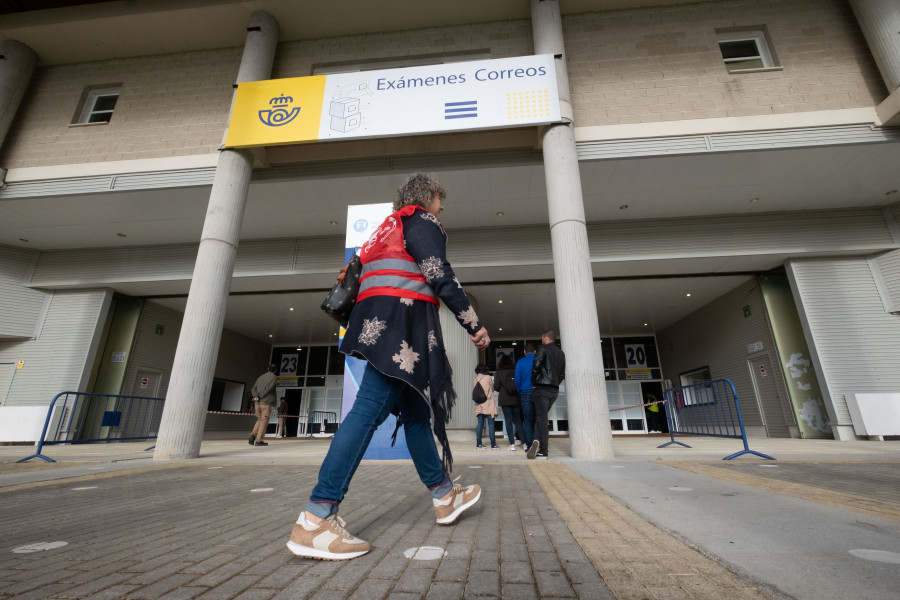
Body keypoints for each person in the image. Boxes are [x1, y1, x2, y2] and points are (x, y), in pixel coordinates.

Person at [287, 173, 490, 561]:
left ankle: (444, 495)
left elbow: (354, 276)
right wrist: (473, 324)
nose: (442, 206)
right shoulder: (421, 222)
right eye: (438, 199)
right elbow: (439, 274)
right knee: (367, 411)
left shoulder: (384, 230)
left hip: (376, 326)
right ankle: (316, 519)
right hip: (400, 329)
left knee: (415, 415)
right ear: (424, 198)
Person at [530, 330, 565, 460]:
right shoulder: (561, 353)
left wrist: (534, 382)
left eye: (542, 338)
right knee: (542, 416)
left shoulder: (542, 349)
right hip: (554, 390)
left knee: (542, 418)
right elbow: (562, 374)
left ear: (545, 338)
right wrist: (555, 383)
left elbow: (535, 366)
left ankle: (543, 451)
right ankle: (536, 440)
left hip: (541, 388)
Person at [494, 355, 525, 451]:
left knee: (508, 420)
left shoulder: (499, 372)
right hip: (516, 398)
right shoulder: (515, 370)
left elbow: (496, 386)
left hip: (505, 399)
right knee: (518, 420)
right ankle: (524, 443)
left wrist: (503, 389)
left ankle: (512, 444)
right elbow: (520, 383)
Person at [514, 343, 537, 455]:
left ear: (524, 351)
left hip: (525, 393)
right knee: (538, 419)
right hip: (538, 393)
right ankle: (540, 444)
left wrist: (520, 391)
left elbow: (517, 380)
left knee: (527, 420)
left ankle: (530, 445)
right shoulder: (539, 360)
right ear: (535, 351)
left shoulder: (520, 362)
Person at [249, 364, 277, 447]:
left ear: (267, 368)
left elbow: (253, 389)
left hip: (257, 403)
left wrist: (255, 396)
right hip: (265, 402)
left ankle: (253, 435)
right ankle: (259, 440)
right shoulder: (274, 377)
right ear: (275, 370)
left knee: (260, 419)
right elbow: (269, 389)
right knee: (264, 422)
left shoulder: (260, 377)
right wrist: (261, 396)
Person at [474, 363, 498, 449]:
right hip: (488, 403)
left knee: (480, 423)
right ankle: (493, 444)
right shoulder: (488, 377)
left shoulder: (476, 379)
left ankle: (479, 444)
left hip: (479, 403)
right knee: (491, 423)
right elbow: (492, 388)